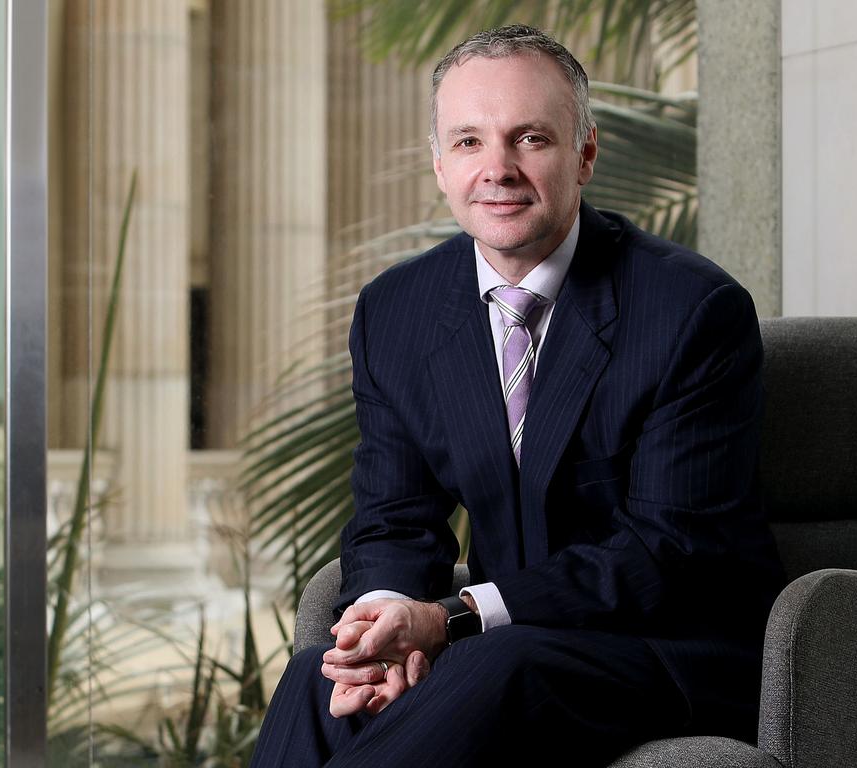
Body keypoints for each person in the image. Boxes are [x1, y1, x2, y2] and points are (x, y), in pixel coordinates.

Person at [251, 24, 785, 768]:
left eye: (530, 139)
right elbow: (394, 520)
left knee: (492, 665)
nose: (496, 169)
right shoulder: (398, 310)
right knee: (317, 677)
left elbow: (667, 557)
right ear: (439, 165)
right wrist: (383, 625)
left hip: (667, 648)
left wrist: (455, 617)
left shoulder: (690, 310)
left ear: (585, 154)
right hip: (506, 641)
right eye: (468, 142)